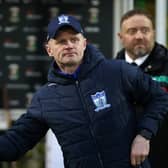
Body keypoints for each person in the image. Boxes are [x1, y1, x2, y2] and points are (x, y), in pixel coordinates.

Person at [0, 14, 168, 168]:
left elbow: (159, 98)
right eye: (61, 41)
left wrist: (144, 135)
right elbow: (16, 142)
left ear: (84, 43)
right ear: (49, 49)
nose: (69, 45)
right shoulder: (44, 98)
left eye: (74, 39)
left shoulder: (118, 72)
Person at [116, 9, 168, 168]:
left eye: (145, 30)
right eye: (132, 31)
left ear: (153, 33)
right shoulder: (110, 71)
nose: (139, 36)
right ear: (121, 37)